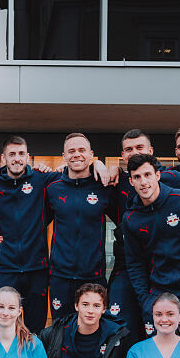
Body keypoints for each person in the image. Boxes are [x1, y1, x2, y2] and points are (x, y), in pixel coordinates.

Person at [122, 153, 180, 341]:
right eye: (137, 177)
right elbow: (135, 264)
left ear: (158, 175)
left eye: (148, 175)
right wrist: (145, 299)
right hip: (160, 294)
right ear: (131, 182)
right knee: (162, 354)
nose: (143, 182)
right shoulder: (130, 218)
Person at [44, 133, 117, 314]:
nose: (77, 154)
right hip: (60, 276)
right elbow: (36, 223)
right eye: (72, 151)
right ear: (64, 156)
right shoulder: (53, 188)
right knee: (60, 330)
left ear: (91, 155)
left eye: (82, 150)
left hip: (93, 276)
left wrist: (112, 167)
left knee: (93, 328)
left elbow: (126, 220)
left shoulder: (103, 186)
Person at [0, 136, 53, 332]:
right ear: (3, 158)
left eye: (21, 154)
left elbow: (72, 175)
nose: (17, 158)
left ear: (28, 157)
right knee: (5, 324)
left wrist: (98, 164)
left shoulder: (41, 179)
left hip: (37, 267)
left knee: (35, 328)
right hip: (6, 266)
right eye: (12, 154)